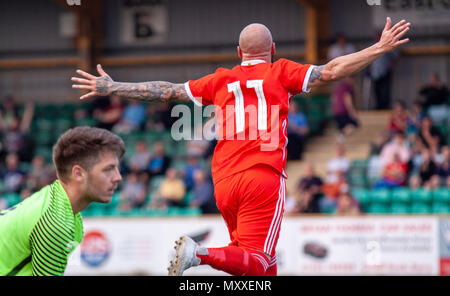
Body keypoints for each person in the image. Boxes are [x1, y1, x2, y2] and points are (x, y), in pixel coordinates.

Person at [72, 17, 411, 276]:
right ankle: (198, 254)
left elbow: (167, 91)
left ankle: (204, 255)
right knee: (260, 258)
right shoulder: (281, 72)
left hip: (223, 183)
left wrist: (112, 86)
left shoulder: (221, 79)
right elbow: (333, 70)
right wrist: (379, 48)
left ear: (239, 53)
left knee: (259, 265)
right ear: (273, 48)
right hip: (261, 179)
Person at [0, 126, 124, 276]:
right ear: (78, 174)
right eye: (108, 169)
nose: (118, 177)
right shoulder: (55, 223)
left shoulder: (58, 203)